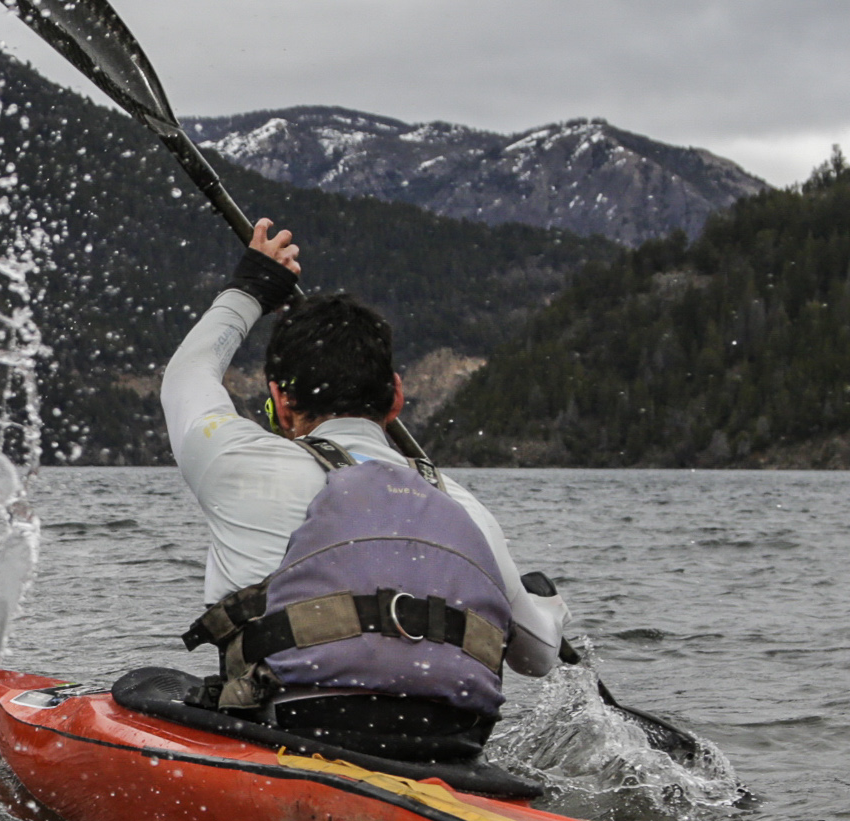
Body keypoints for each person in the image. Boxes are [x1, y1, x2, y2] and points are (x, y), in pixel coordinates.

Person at [144, 218, 563, 765]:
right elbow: (537, 657)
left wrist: (252, 286)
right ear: (396, 398)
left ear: (280, 402)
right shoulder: (464, 508)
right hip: (448, 750)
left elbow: (186, 376)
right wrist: (546, 603)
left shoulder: (238, 460)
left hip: (293, 733)